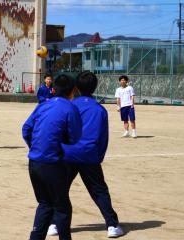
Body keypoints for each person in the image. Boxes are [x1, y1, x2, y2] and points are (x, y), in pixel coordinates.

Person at [47, 71, 123, 238]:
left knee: (60, 189)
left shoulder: (70, 105)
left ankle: (54, 224)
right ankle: (112, 225)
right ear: (95, 87)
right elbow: (104, 136)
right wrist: (99, 156)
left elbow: (60, 129)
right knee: (99, 191)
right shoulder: (100, 110)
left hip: (68, 154)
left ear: (76, 88)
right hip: (89, 155)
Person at [22, 74, 82, 240]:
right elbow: (75, 137)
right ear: (73, 92)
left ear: (53, 90)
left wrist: (35, 147)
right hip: (53, 163)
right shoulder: (71, 108)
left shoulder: (42, 106)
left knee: (44, 203)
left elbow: (26, 129)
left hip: (34, 162)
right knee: (62, 207)